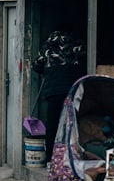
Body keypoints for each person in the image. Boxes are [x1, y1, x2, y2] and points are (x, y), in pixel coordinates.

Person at [32, 27, 86, 162]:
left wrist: (48, 69)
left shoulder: (47, 49)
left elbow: (36, 66)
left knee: (52, 125)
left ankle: (51, 158)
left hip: (53, 92)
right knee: (71, 125)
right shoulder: (75, 46)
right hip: (71, 91)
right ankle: (70, 158)